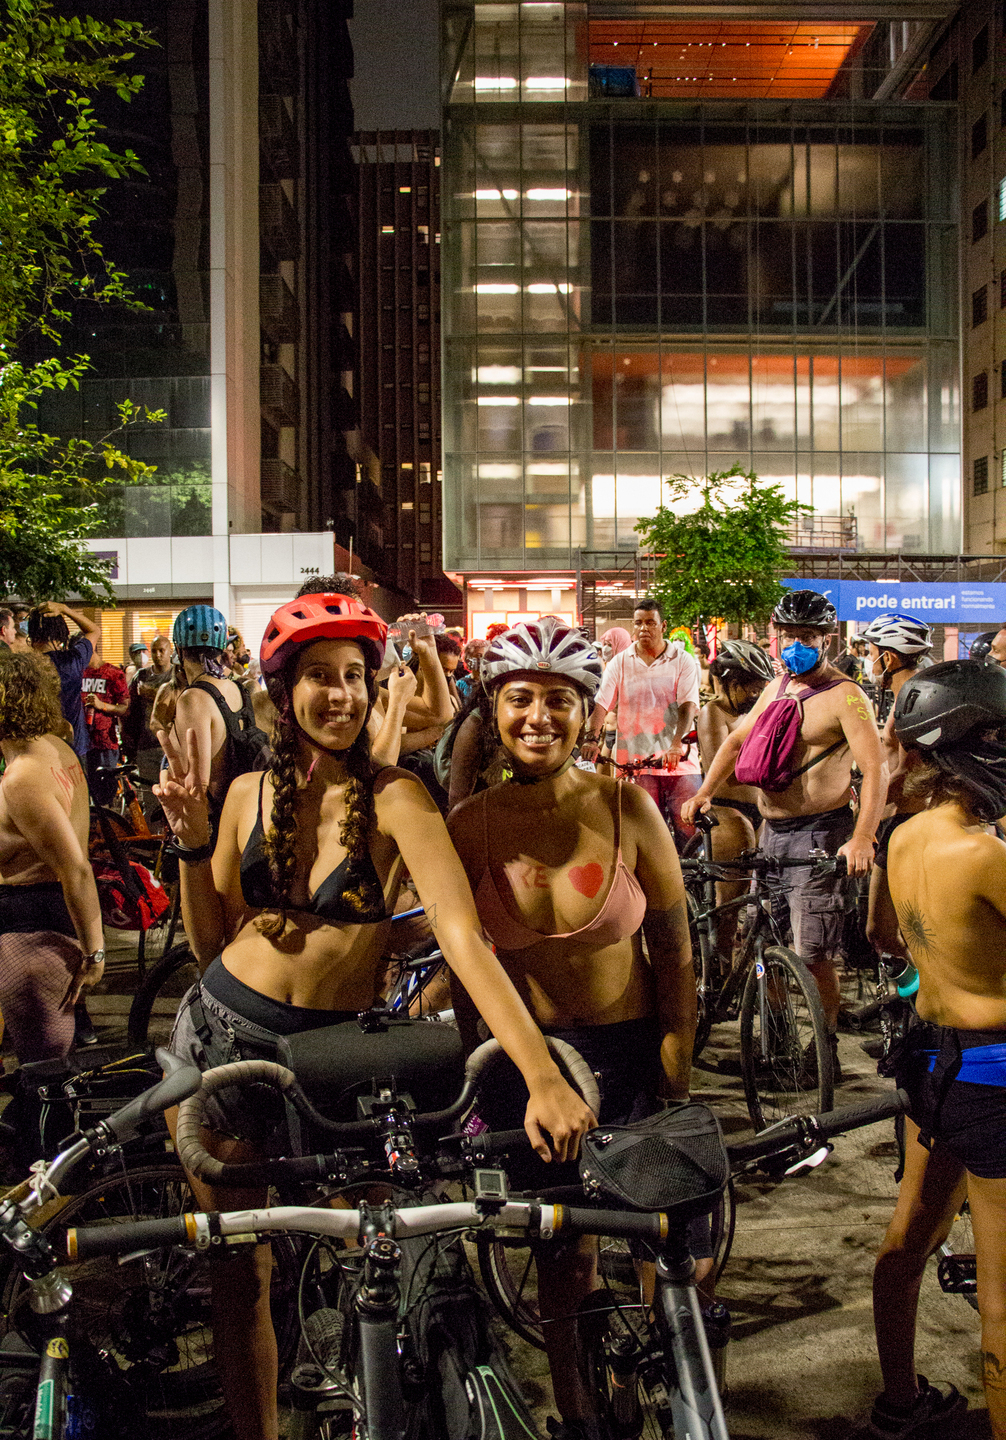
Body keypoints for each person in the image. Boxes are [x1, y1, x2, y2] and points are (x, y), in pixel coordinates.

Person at [158, 593, 595, 1440]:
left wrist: (540, 1073)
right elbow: (210, 941)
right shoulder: (247, 790)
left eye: (356, 677)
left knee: (390, 1254)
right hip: (226, 1040)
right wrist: (188, 838)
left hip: (336, 1060)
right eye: (319, 677)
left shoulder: (398, 796)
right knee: (237, 1269)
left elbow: (466, 941)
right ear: (282, 691)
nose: (342, 695)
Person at [448, 618, 696, 1440]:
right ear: (493, 707)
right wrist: (476, 1074)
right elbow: (463, 969)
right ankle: (580, 1414)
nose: (539, 717)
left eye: (560, 700)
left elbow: (673, 943)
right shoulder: (470, 824)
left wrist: (676, 1046)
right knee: (563, 1254)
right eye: (520, 698)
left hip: (630, 1053)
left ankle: (678, 1386)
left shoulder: (627, 808)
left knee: (660, 1242)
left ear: (588, 710)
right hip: (534, 1069)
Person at [869, 659, 1006, 1439]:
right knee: (1002, 1300)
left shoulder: (908, 835)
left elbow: (883, 937)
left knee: (909, 1237)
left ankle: (899, 1400)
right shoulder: (984, 855)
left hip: (934, 1061)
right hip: (995, 1076)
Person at [681, 589, 888, 1069]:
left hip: (819, 835)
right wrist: (706, 790)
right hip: (771, 833)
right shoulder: (778, 688)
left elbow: (875, 770)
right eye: (788, 636)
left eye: (807, 637)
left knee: (813, 952)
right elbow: (736, 739)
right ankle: (777, 1049)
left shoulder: (846, 696)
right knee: (764, 944)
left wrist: (862, 836)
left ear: (827, 639)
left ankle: (824, 1052)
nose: (796, 645)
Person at [0, 651, 105, 1065]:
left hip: (34, 927)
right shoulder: (55, 746)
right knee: (49, 1071)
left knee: (44, 1076)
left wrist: (95, 952)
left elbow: (75, 869)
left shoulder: (24, 774)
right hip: (44, 920)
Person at [581, 598, 702, 848]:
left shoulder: (682, 660)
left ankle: (692, 884)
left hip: (679, 763)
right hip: (636, 764)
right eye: (639, 623)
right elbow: (602, 703)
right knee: (641, 833)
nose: (644, 628)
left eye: (650, 622)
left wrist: (676, 744)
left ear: (663, 625)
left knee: (689, 831)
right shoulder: (620, 662)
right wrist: (592, 739)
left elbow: (687, 705)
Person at [859, 615, 934, 963]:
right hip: (911, 820)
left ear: (887, 658)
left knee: (883, 931)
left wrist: (866, 809)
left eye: (870, 652)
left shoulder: (911, 699)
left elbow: (909, 770)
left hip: (906, 822)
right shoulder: (914, 691)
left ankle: (921, 999)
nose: (868, 659)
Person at [695, 640, 776, 957]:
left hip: (760, 809)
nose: (755, 696)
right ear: (730, 684)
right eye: (749, 689)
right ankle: (720, 966)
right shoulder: (712, 711)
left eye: (760, 689)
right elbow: (722, 766)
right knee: (729, 905)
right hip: (728, 810)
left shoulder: (755, 712)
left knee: (767, 899)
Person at [165, 605, 265, 828]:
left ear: (179, 650)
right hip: (245, 815)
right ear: (221, 647)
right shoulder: (238, 689)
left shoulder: (194, 699)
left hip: (215, 825)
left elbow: (196, 786)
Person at [28, 601, 100, 760]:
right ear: (60, 632)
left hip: (38, 749)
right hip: (74, 747)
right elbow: (94, 630)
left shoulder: (25, 667)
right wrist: (65, 609)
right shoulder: (73, 660)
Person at [122, 634, 174, 800]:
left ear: (170, 651)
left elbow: (178, 702)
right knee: (150, 798)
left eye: (162, 650)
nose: (158, 655)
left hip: (171, 745)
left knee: (172, 796)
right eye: (154, 651)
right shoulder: (141, 676)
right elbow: (129, 709)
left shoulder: (178, 675)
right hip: (146, 745)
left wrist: (152, 693)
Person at [80, 647, 130, 803]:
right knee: (83, 793)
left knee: (105, 794)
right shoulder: (77, 673)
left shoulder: (113, 674)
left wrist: (102, 705)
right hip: (80, 741)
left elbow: (125, 709)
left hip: (105, 742)